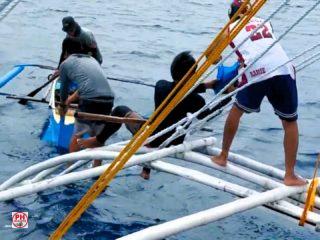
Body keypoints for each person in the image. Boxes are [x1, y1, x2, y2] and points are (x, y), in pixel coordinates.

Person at [78, 51, 240, 179]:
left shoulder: (161, 86)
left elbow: (178, 90)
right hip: (173, 141)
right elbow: (208, 114)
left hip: (151, 137)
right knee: (157, 126)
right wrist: (228, 96)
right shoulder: (196, 101)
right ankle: (145, 170)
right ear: (192, 75)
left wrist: (204, 86)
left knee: (122, 111)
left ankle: (98, 141)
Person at [211, 0, 306, 186]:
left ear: (231, 16)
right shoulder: (264, 20)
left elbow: (212, 58)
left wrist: (219, 58)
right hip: (283, 68)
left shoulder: (229, 29)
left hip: (257, 70)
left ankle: (223, 156)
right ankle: (290, 175)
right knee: (290, 122)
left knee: (237, 110)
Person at [58, 37, 114, 167]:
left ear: (65, 51)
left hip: (90, 100)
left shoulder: (65, 64)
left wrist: (62, 105)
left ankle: (69, 169)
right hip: (109, 99)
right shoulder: (92, 59)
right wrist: (70, 100)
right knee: (98, 137)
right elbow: (87, 86)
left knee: (78, 135)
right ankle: (96, 171)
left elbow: (64, 90)